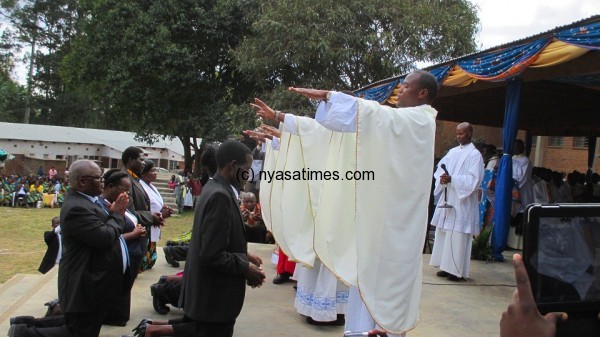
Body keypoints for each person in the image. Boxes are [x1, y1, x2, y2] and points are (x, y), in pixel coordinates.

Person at [250, 70, 438, 335]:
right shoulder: (398, 121)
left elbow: (373, 116)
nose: (400, 91)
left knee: (383, 286)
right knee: (364, 279)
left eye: (406, 87)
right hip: (376, 219)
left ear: (423, 93)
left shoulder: (418, 121)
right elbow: (327, 132)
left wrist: (329, 97)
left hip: (396, 224)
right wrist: (283, 119)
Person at [9, 159, 129, 337]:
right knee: (78, 331)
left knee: (83, 327)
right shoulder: (77, 208)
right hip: (84, 281)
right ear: (83, 181)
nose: (103, 182)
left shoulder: (90, 201)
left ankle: (24, 327)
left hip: (96, 281)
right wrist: (117, 215)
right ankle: (24, 332)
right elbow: (104, 237)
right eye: (99, 178)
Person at [180, 140, 266, 337]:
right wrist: (245, 268)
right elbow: (211, 254)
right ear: (232, 166)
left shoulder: (215, 188)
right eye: (246, 169)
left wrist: (244, 254)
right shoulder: (220, 196)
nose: (249, 175)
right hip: (213, 302)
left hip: (208, 300)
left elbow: (215, 239)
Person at [430, 122, 484, 281]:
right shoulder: (452, 152)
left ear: (469, 133)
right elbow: (440, 169)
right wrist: (442, 178)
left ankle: (456, 270)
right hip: (449, 196)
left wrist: (453, 179)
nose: (458, 136)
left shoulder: (475, 155)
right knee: (445, 233)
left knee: (458, 235)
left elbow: (475, 179)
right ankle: (445, 266)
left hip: (462, 201)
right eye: (457, 134)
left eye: (461, 133)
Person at [100, 169, 147, 327]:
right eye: (123, 189)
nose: (127, 194)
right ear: (111, 186)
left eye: (128, 190)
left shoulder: (119, 204)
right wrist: (134, 234)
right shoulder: (105, 207)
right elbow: (108, 236)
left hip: (132, 255)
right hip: (119, 258)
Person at [121, 146, 164, 274]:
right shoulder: (125, 179)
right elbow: (128, 212)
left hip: (140, 237)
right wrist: (151, 216)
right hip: (131, 236)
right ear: (130, 160)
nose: (144, 162)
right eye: (141, 159)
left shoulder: (135, 179)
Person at [139, 160, 173, 270]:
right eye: (152, 170)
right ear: (143, 173)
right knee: (143, 263)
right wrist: (161, 214)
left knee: (150, 262)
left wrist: (164, 209)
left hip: (154, 225)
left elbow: (155, 205)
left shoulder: (152, 187)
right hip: (146, 227)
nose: (155, 173)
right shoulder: (140, 187)